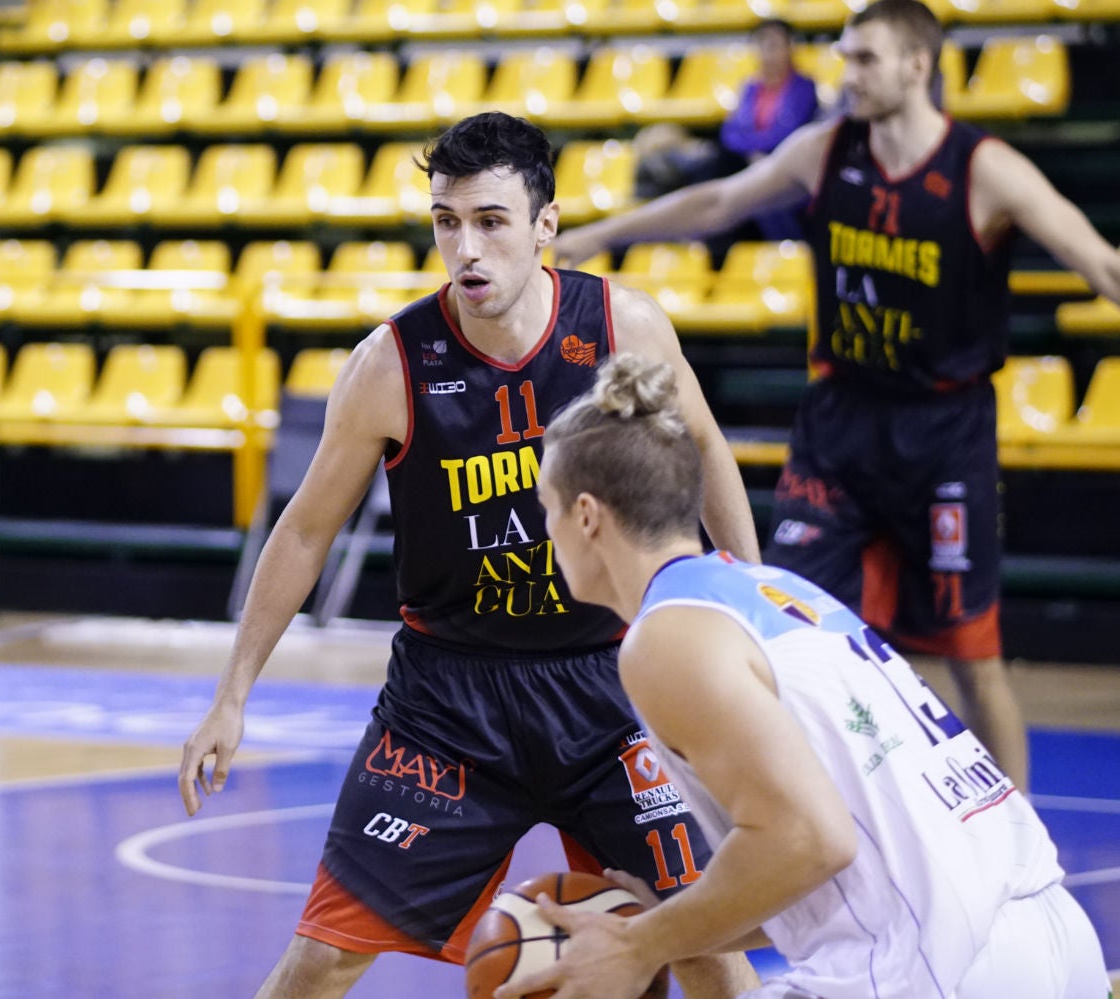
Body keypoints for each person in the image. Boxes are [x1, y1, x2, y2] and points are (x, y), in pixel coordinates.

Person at [178, 112, 762, 998]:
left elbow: (709, 452)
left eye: (491, 220)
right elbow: (303, 530)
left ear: (546, 225)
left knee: (706, 943)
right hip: (449, 703)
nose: (466, 248)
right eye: (447, 222)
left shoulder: (621, 328)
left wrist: (750, 608)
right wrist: (232, 694)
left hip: (613, 684)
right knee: (325, 954)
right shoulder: (390, 364)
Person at [554, 0, 1120, 792]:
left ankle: (1022, 837)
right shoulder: (827, 149)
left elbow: (1097, 259)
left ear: (918, 66)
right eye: (845, 57)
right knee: (785, 622)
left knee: (973, 654)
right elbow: (720, 202)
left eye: (864, 59)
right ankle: (793, 806)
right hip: (839, 423)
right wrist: (602, 234)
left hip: (944, 429)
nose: (845, 74)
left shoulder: (982, 167)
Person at [496, 350, 1109, 999]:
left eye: (547, 507)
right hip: (1045, 933)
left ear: (586, 515)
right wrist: (659, 924)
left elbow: (810, 838)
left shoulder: (665, 637)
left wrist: (634, 946)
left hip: (938, 963)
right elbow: (828, 874)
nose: (546, 529)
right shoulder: (777, 590)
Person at [718, 18, 819, 239]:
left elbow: (789, 132)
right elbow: (729, 133)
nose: (766, 52)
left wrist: (755, 149)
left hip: (786, 165)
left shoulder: (804, 87)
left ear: (789, 47)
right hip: (751, 164)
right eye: (761, 44)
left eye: (773, 44)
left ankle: (788, 252)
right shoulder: (749, 88)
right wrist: (753, 153)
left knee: (767, 194)